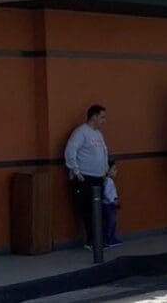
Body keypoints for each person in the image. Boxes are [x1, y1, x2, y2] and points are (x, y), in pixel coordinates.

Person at [64, 104, 109, 249]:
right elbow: (70, 151)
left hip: (98, 178)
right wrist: (76, 171)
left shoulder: (99, 134)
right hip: (85, 178)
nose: (104, 121)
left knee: (99, 210)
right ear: (94, 117)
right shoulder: (81, 132)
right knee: (88, 211)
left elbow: (104, 153)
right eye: (102, 117)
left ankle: (98, 240)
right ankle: (91, 241)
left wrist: (105, 170)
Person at [102, 159, 122, 247]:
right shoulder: (108, 181)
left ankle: (110, 238)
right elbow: (107, 192)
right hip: (108, 205)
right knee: (111, 221)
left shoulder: (108, 181)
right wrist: (113, 200)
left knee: (111, 221)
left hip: (109, 203)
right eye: (114, 169)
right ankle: (109, 239)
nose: (116, 171)